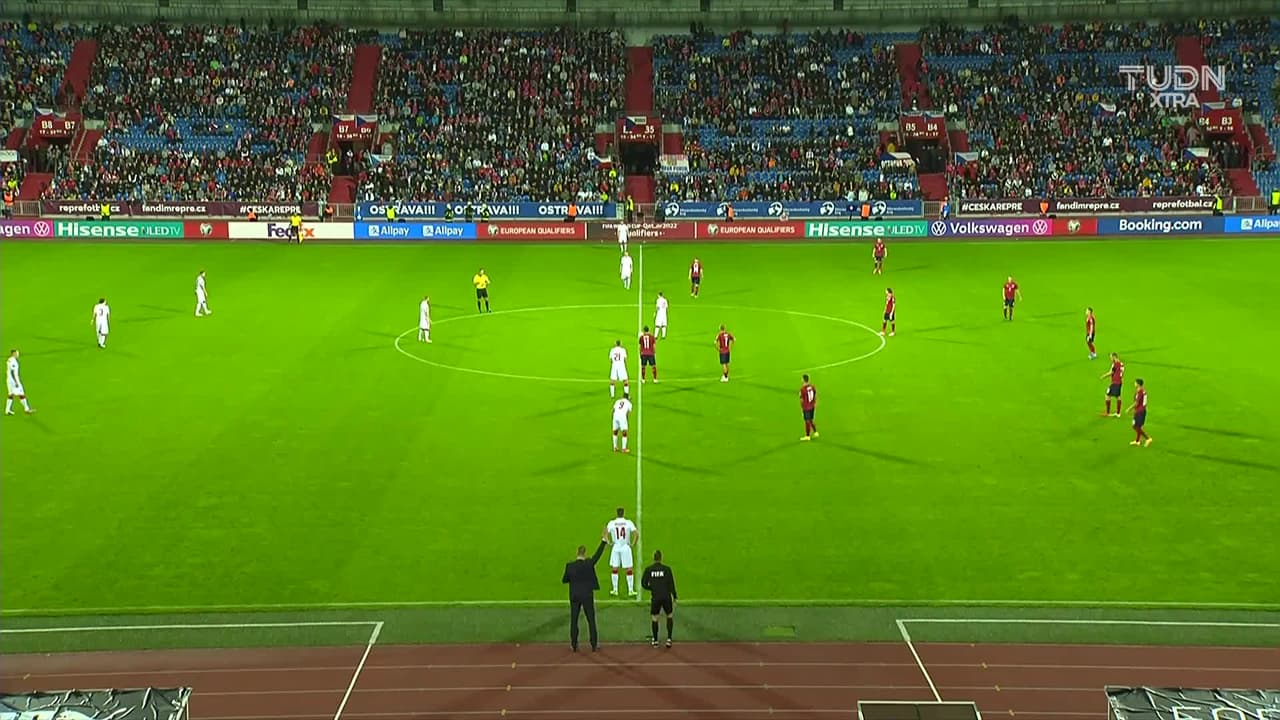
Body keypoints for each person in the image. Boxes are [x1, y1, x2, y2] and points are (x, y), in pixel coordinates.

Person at [561, 531, 609, 652]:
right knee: (591, 620)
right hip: (587, 595)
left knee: (574, 620)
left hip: (575, 595)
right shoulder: (589, 563)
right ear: (584, 553)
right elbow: (597, 555)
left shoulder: (570, 566)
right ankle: (593, 644)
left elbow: (564, 580)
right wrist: (603, 541)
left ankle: (574, 644)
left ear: (577, 553)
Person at [641, 550, 678, 648]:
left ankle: (656, 640)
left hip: (656, 597)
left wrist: (652, 588)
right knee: (669, 616)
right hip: (666, 597)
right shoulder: (667, 569)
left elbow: (643, 584)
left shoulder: (649, 570)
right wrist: (675, 596)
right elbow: (671, 584)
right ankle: (669, 639)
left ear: (653, 558)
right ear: (661, 558)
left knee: (655, 618)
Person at [605, 507, 640, 596]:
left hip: (616, 547)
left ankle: (615, 589)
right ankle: (631, 590)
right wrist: (634, 543)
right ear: (623, 513)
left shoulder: (612, 523)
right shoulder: (628, 522)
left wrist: (608, 542)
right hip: (625, 547)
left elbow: (604, 533)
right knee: (629, 568)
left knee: (615, 568)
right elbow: (636, 533)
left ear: (617, 513)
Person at [5, 349, 34, 416]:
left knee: (10, 394)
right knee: (21, 394)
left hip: (9, 380)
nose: (18, 354)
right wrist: (16, 382)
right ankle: (26, 409)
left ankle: (7, 410)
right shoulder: (13, 362)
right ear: (13, 354)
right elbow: (12, 372)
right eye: (16, 353)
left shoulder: (9, 359)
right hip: (14, 381)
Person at [1127, 378, 1152, 447]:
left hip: (1140, 411)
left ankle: (1148, 438)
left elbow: (1136, 403)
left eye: (1135, 383)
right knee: (1139, 426)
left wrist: (1129, 409)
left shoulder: (1140, 392)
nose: (1134, 384)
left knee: (1135, 426)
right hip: (1142, 411)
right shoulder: (1143, 391)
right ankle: (1137, 441)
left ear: (1138, 384)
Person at [1101, 352, 1124, 417]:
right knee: (1118, 396)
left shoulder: (1115, 364)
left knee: (1107, 395)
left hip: (1115, 382)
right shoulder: (1121, 364)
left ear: (1114, 357)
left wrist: (1103, 376)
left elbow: (1111, 372)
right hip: (1119, 382)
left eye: (1111, 357)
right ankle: (1118, 413)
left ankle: (1108, 413)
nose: (1110, 359)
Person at [799, 374, 818, 441]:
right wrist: (814, 403)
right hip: (812, 405)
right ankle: (815, 432)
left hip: (806, 407)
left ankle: (807, 436)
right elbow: (815, 394)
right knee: (811, 419)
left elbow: (801, 399)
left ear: (803, 380)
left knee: (807, 421)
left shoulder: (802, 389)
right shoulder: (812, 386)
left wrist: (802, 407)